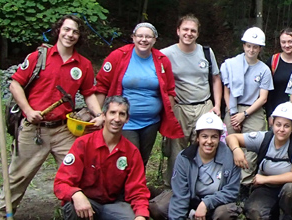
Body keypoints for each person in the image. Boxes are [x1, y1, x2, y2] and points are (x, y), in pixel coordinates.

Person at [0, 14, 104, 219]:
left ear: (80, 36)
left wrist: (99, 114)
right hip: (34, 130)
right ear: (59, 30)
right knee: (18, 176)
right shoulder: (38, 57)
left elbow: (88, 93)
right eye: (67, 29)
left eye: (75, 32)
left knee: (78, 172)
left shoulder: (84, 65)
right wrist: (28, 110)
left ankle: (77, 213)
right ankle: (1, 214)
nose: (70, 35)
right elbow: (15, 84)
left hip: (64, 130)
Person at [95, 22, 183, 166]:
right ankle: (125, 187)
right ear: (133, 38)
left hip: (151, 121)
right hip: (125, 120)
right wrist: (100, 114)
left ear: (154, 40)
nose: (144, 40)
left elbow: (169, 91)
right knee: (130, 158)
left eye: (148, 37)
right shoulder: (119, 56)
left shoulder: (162, 60)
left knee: (143, 158)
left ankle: (138, 187)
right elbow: (101, 86)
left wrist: (168, 117)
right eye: (140, 36)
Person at [53, 96, 150, 220]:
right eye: (112, 113)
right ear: (103, 116)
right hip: (87, 202)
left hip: (113, 205)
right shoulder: (83, 143)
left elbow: (138, 190)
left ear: (127, 119)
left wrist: (141, 215)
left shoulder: (131, 152)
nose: (117, 119)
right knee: (73, 207)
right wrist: (76, 194)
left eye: (122, 114)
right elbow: (61, 183)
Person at [160, 14, 223, 186]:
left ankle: (203, 183)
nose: (189, 33)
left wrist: (217, 105)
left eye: (193, 30)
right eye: (185, 29)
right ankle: (174, 185)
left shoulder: (206, 52)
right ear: (178, 31)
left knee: (205, 146)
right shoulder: (165, 54)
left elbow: (216, 78)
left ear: (198, 33)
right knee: (177, 149)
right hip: (180, 107)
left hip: (204, 105)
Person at [226, 102, 292, 219]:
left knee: (290, 191)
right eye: (278, 124)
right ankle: (271, 213)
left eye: (286, 126)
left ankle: (290, 215)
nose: (281, 129)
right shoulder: (264, 138)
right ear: (272, 124)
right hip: (266, 188)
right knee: (254, 212)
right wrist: (236, 150)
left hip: (290, 188)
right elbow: (231, 137)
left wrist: (265, 179)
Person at [220, 26, 273, 186]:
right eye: (248, 45)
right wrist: (233, 113)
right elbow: (226, 91)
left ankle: (245, 184)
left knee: (250, 149)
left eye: (255, 46)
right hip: (233, 108)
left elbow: (263, 98)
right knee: (228, 145)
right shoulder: (231, 64)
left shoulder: (264, 70)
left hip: (253, 111)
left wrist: (245, 115)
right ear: (244, 46)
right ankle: (226, 183)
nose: (251, 49)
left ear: (260, 48)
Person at [167, 112, 241, 220]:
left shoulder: (231, 158)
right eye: (204, 136)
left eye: (214, 137)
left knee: (225, 213)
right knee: (159, 206)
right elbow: (180, 194)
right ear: (197, 138)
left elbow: (231, 191)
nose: (209, 141)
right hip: (191, 200)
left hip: (217, 204)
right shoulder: (184, 158)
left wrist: (206, 203)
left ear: (220, 138)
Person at [265, 27, 292, 128]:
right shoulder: (274, 61)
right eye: (283, 42)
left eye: (290, 41)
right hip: (276, 114)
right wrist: (269, 114)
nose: (287, 45)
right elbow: (266, 90)